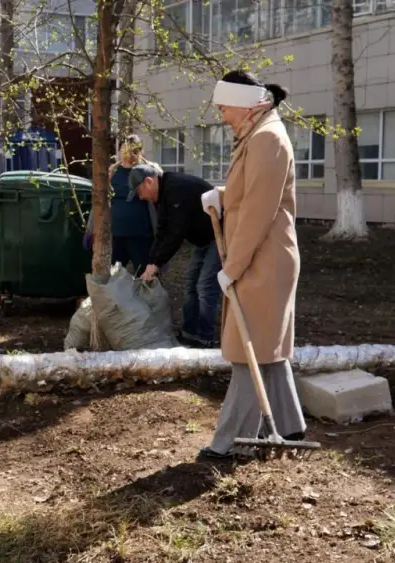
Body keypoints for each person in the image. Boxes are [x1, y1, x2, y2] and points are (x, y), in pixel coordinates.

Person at [196, 70, 305, 460]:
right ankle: (291, 427)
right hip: (262, 256)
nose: (223, 115)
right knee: (267, 348)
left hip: (264, 259)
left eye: (225, 107)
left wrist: (233, 268)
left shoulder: (267, 139)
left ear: (245, 105)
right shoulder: (257, 135)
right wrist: (222, 196)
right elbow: (252, 192)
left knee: (247, 352)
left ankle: (231, 444)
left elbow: (260, 212)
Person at [129, 163, 221, 348]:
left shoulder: (176, 189)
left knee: (204, 286)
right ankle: (189, 334)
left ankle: (205, 339)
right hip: (202, 239)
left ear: (149, 182)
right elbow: (162, 231)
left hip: (219, 235)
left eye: (139, 192)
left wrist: (158, 263)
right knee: (190, 285)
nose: (140, 197)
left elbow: (176, 233)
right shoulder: (161, 195)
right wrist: (151, 261)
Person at [108, 134, 154, 276]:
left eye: (133, 151)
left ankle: (147, 298)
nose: (128, 154)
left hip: (140, 234)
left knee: (144, 274)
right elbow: (102, 200)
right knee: (113, 275)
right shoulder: (112, 171)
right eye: (124, 150)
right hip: (117, 233)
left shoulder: (147, 170)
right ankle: (116, 299)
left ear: (139, 152)